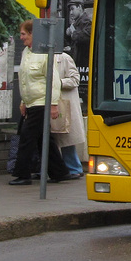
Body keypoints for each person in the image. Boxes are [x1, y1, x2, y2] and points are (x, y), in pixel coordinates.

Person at [10, 20, 69, 186]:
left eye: (23, 34)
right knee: (43, 139)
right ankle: (60, 172)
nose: (21, 38)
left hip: (41, 102)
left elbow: (53, 80)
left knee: (27, 137)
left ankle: (23, 174)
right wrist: (23, 101)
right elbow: (24, 80)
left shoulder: (44, 54)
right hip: (31, 103)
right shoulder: (26, 53)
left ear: (32, 34)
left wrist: (53, 104)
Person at [52, 50, 86, 178]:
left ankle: (74, 168)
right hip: (50, 102)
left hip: (64, 104)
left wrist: (59, 83)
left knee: (66, 137)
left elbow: (75, 79)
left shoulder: (64, 58)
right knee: (54, 137)